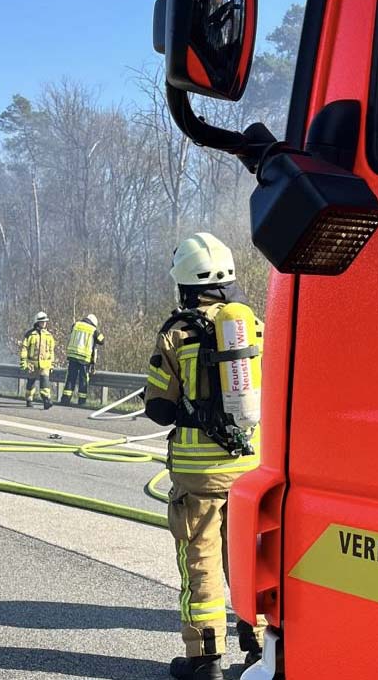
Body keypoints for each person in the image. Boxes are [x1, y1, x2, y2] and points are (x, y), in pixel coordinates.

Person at [144, 233, 265, 679]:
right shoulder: (254, 328)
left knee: (200, 561)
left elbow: (158, 408)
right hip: (251, 469)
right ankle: (261, 650)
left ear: (185, 284)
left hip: (199, 477)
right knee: (252, 559)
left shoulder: (178, 333)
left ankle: (206, 660)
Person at [62, 313, 104, 405]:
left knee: (70, 378)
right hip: (84, 359)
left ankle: (65, 399)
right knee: (83, 380)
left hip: (73, 356)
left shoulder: (76, 325)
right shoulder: (93, 330)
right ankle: (81, 401)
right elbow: (102, 340)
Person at [19, 311, 56, 409]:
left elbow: (51, 351)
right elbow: (24, 348)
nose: (44, 323)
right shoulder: (30, 335)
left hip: (45, 365)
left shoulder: (49, 335)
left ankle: (46, 400)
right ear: (37, 322)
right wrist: (24, 361)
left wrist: (51, 364)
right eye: (42, 322)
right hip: (32, 364)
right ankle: (29, 399)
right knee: (31, 382)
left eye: (45, 322)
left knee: (45, 383)